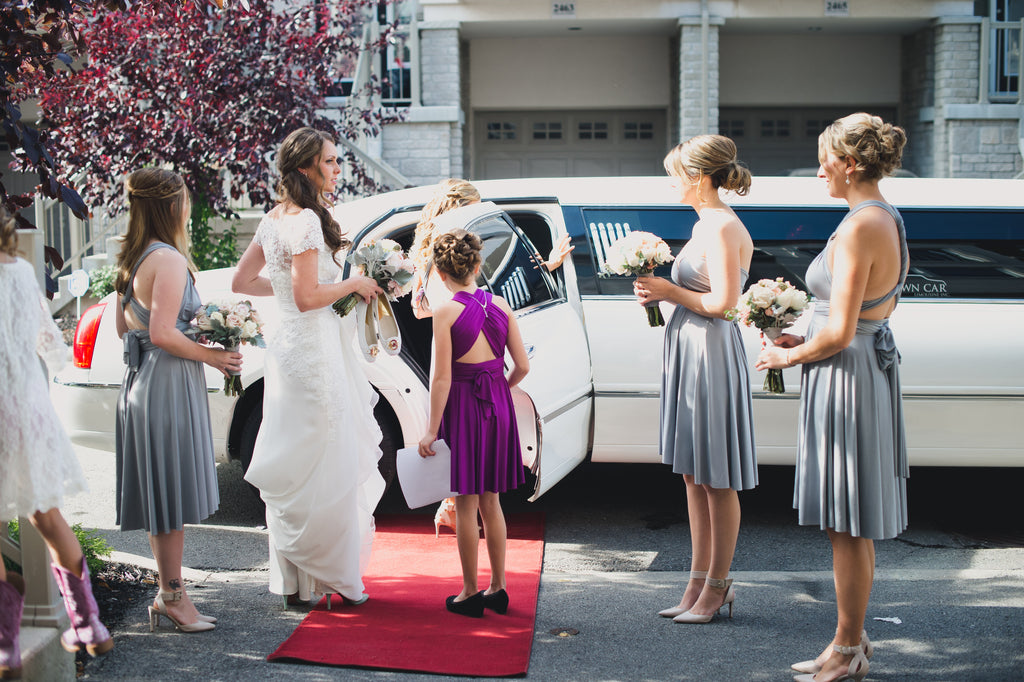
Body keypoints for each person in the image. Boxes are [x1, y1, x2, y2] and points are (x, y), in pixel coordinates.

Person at [756, 113, 909, 682]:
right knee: (850, 520)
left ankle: (846, 649)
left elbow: (842, 331)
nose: (820, 169)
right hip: (851, 368)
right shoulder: (878, 216)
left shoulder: (863, 224)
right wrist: (802, 335)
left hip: (846, 373)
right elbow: (851, 317)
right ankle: (852, 640)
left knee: (847, 521)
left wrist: (784, 356)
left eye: (825, 158)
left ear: (848, 163)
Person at [232, 127, 385, 609]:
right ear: (305, 168)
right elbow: (307, 296)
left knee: (297, 457)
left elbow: (243, 280)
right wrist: (355, 283)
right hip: (314, 353)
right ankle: (332, 574)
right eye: (331, 162)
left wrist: (284, 294)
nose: (338, 169)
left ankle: (297, 583)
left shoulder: (273, 218)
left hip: (287, 349)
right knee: (326, 456)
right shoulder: (305, 223)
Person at [634, 134, 757, 624]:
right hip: (688, 346)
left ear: (700, 178)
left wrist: (669, 290)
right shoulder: (703, 223)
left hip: (710, 349)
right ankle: (696, 581)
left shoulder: (723, 226)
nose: (670, 181)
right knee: (692, 473)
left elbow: (727, 305)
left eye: (675, 173)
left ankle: (719, 585)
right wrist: (659, 293)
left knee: (715, 476)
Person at [114, 168, 241, 634]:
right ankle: (173, 597)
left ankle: (168, 593)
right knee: (168, 501)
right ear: (172, 206)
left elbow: (124, 330)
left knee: (162, 497)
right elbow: (163, 332)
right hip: (165, 388)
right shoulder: (166, 259)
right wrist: (213, 355)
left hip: (142, 384)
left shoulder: (132, 258)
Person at [0, 207, 114, 677]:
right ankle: (89, 625)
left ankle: (6, 647)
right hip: (26, 412)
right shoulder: (21, 270)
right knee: (47, 516)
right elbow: (50, 346)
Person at [417, 229, 530, 617]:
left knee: (465, 502)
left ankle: (469, 592)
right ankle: (498, 588)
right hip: (497, 406)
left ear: (442, 275)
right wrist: (500, 387)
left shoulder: (445, 312)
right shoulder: (501, 305)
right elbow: (523, 366)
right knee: (492, 501)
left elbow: (441, 377)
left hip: (464, 409)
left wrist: (431, 429)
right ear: (478, 267)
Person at [409, 177, 572, 320]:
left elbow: (419, 310)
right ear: (455, 211)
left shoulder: (424, 255)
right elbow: (498, 292)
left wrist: (549, 266)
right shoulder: (464, 254)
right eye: (474, 211)